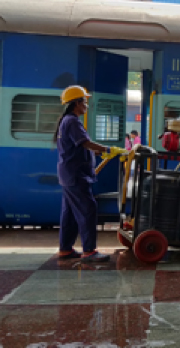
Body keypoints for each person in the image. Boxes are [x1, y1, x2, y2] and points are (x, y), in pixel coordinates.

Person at [55, 85, 126, 262]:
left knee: (70, 213)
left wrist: (99, 152)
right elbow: (85, 143)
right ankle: (89, 251)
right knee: (88, 209)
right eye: (84, 102)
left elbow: (78, 147)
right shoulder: (72, 121)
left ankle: (65, 249)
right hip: (76, 175)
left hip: (69, 175)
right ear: (76, 103)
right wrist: (108, 149)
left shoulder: (67, 121)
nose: (87, 105)